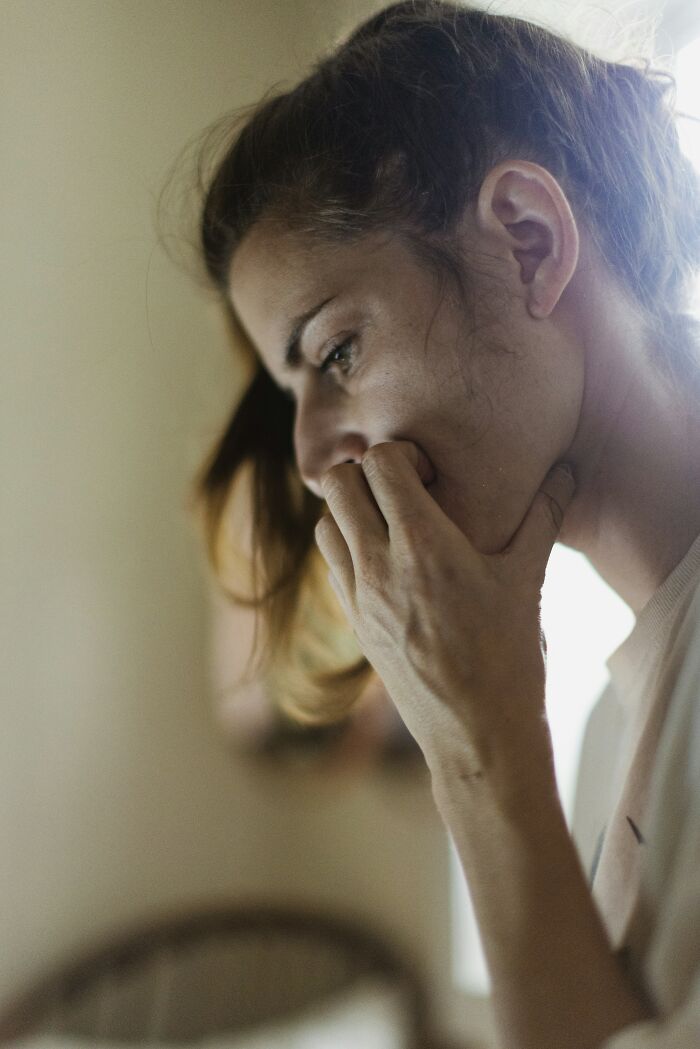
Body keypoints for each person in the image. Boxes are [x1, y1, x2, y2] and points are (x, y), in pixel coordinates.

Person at [178, 2, 700, 1045]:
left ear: (528, 239)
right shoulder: (609, 733)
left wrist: (478, 751)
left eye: (333, 353)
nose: (311, 452)